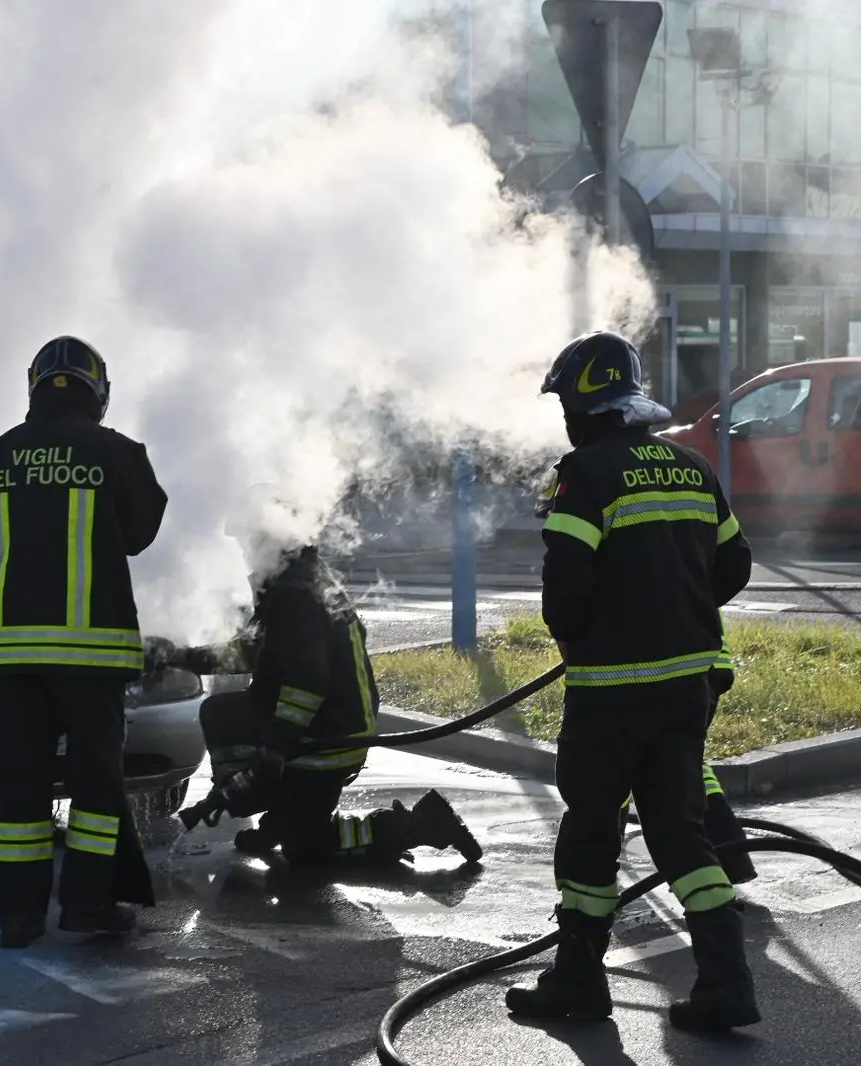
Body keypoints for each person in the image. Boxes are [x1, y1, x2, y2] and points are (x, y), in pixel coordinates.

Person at [507, 330, 759, 1031]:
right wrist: (677, 610)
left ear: (584, 405)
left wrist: (593, 639)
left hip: (612, 695)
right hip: (689, 689)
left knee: (590, 833)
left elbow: (566, 592)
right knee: (682, 835)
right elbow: (734, 565)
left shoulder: (582, 474)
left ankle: (580, 984)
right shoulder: (691, 466)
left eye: (565, 402)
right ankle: (727, 985)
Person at [0, 335, 168, 950]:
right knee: (97, 787)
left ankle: (15, 916)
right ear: (99, 391)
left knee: (13, 785)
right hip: (92, 661)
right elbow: (139, 534)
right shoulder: (118, 453)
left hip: (9, 660)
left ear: (34, 386)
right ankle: (90, 905)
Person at [147, 494, 483, 867]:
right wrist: (179, 656)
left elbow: (307, 683)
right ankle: (280, 814)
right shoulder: (296, 582)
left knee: (306, 849)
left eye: (247, 542)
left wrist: (274, 751)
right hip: (330, 726)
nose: (243, 553)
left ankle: (417, 824)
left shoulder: (297, 595)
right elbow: (249, 653)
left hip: (327, 738)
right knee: (222, 712)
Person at [535, 485, 757, 886]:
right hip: (699, 666)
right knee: (683, 767)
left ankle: (600, 876)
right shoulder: (644, 542)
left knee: (623, 770)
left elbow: (571, 617)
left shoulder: (597, 551)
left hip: (666, 673)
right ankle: (728, 862)